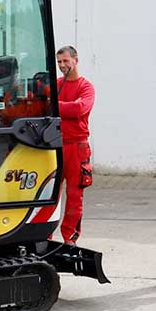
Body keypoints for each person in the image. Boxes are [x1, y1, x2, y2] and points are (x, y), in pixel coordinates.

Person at [55, 45, 95, 243]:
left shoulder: (86, 87)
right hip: (55, 145)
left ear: (75, 60)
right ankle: (45, 235)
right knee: (50, 193)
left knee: (74, 194)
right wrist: (66, 108)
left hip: (77, 147)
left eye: (66, 61)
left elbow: (79, 109)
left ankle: (70, 237)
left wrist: (56, 106)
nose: (62, 65)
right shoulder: (56, 84)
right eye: (59, 62)